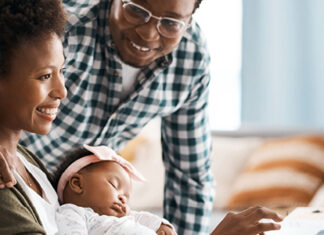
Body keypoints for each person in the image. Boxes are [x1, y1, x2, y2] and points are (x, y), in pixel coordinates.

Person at [0, 0, 284, 234]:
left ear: (189, 19)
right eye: (136, 9)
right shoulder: (64, 26)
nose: (148, 34)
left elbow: (190, 178)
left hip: (41, 182)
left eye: (171, 23)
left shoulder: (191, 57)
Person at [0, 0, 67, 233]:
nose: (62, 92)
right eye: (45, 76)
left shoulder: (27, 160)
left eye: (62, 71)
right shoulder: (2, 178)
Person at [53, 144, 177, 235]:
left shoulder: (124, 217)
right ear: (77, 184)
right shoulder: (74, 213)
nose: (123, 199)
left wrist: (161, 225)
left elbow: (141, 217)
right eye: (114, 185)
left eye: (126, 198)